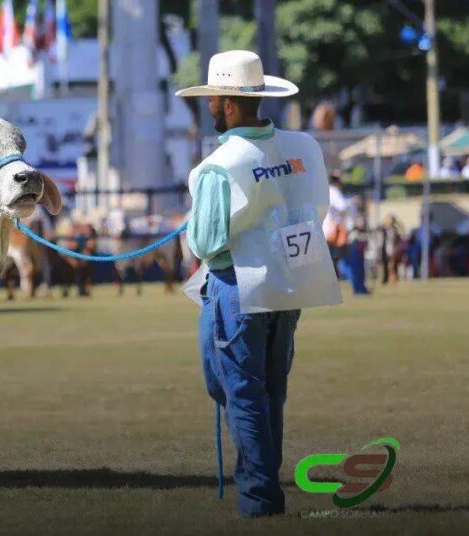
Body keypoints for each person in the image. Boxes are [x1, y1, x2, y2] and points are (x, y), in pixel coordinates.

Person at [176, 50, 342, 518]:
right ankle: (264, 486)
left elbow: (205, 242)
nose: (209, 108)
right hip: (289, 282)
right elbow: (319, 209)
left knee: (240, 390)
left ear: (229, 104)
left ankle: (260, 496)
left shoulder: (219, 163)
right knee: (271, 388)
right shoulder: (303, 146)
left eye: (213, 100)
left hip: (236, 285)